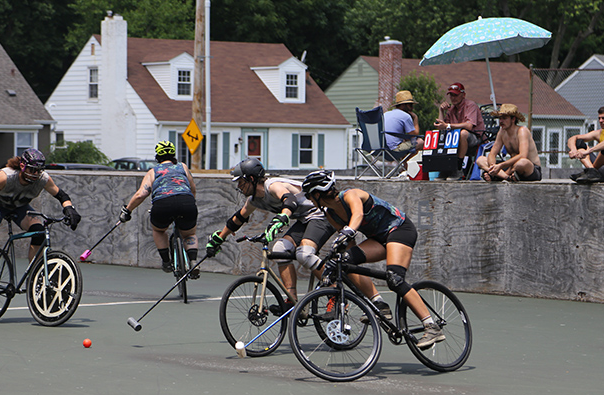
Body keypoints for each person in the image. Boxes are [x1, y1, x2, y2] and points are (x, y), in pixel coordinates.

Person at [301, 170, 444, 349]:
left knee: (395, 279)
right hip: (378, 239)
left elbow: (358, 215)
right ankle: (379, 303)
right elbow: (350, 245)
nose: (310, 201)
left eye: (310, 196)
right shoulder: (331, 214)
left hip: (399, 230)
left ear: (317, 193)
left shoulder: (350, 195)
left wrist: (348, 230)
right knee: (345, 262)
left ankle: (432, 326)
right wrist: (339, 257)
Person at [205, 158, 334, 309]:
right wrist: (219, 239)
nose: (239, 186)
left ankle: (334, 293)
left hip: (322, 214)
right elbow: (238, 218)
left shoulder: (272, 185)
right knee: (280, 249)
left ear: (251, 179)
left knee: (304, 253)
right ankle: (292, 301)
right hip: (304, 219)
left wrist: (282, 217)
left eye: (240, 182)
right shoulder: (254, 200)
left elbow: (290, 200)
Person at [0, 148, 82, 296]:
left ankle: (34, 273)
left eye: (38, 171)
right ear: (23, 166)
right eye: (31, 170)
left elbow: (61, 194)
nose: (35, 174)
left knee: (39, 232)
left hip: (19, 207)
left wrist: (69, 209)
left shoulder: (43, 179)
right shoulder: (6, 176)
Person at [118, 141, 200, 277]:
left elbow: (141, 194)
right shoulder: (183, 167)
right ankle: (193, 261)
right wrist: (192, 203)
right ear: (173, 154)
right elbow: (193, 188)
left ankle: (166, 261)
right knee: (189, 234)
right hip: (186, 201)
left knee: (159, 230)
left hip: (163, 204)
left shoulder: (153, 172)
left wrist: (128, 210)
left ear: (158, 156)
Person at [476, 104, 542, 181]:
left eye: (504, 118)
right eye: (500, 118)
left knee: (522, 162)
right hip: (511, 168)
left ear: (513, 119)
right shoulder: (502, 132)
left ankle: (498, 176)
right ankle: (506, 177)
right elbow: (492, 154)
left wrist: (500, 166)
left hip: (529, 169)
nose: (501, 121)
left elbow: (523, 155)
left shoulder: (522, 131)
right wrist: (493, 166)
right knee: (480, 160)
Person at [434, 82, 486, 179]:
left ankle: (458, 168)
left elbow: (469, 126)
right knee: (440, 135)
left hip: (476, 139)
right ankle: (445, 169)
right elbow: (441, 127)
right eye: (451, 95)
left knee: (463, 133)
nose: (453, 98)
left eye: (456, 95)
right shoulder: (451, 109)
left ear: (463, 95)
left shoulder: (471, 105)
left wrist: (448, 125)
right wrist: (441, 111)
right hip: (456, 139)